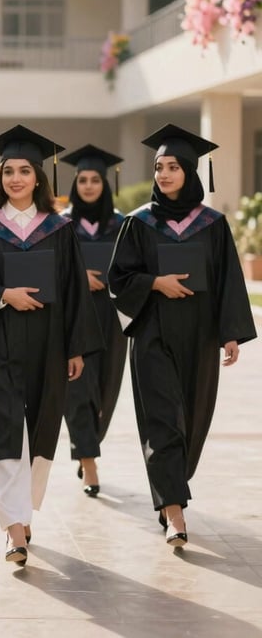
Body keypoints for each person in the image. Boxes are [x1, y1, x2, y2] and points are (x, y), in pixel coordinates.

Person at [108, 124, 255, 548]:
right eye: (159, 167)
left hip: (200, 335)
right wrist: (155, 283)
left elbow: (228, 281)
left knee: (191, 420)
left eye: (173, 166)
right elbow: (121, 278)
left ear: (190, 172)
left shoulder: (212, 224)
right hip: (153, 332)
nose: (164, 174)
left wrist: (230, 334)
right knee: (161, 421)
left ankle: (171, 486)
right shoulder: (139, 223)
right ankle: (175, 511)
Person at [0, 125, 102, 566]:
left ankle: (23, 510)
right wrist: (4, 295)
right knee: (4, 433)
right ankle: (15, 530)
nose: (17, 179)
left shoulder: (59, 230)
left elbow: (75, 291)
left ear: (39, 179)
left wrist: (75, 347)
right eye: (9, 172)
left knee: (42, 434)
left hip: (48, 344)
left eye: (25, 171)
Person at [60, 145, 127, 497]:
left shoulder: (121, 223)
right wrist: (78, 275)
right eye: (82, 179)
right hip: (75, 316)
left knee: (106, 388)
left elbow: (135, 268)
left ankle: (89, 443)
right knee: (78, 388)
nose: (88, 185)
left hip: (112, 316)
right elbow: (50, 269)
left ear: (105, 183)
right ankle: (88, 460)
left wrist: (113, 278)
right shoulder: (61, 224)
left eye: (94, 180)